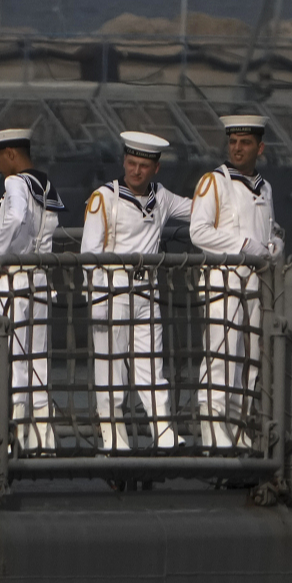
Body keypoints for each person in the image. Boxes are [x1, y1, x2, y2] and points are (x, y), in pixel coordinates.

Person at [83, 131, 193, 451]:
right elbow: (90, 252)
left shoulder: (162, 196)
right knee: (111, 370)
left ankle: (165, 433)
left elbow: (199, 211)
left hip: (147, 290)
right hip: (113, 288)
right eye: (131, 163)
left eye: (144, 165)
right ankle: (114, 441)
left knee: (151, 366)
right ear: (124, 162)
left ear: (155, 168)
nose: (136, 171)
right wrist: (98, 299)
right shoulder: (104, 197)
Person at [189, 113, 281, 451]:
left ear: (260, 147)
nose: (237, 149)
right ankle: (214, 427)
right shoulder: (215, 182)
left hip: (256, 282)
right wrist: (243, 246)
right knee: (222, 354)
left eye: (245, 143)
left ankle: (239, 425)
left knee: (250, 358)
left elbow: (268, 228)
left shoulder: (264, 187)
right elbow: (198, 231)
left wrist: (274, 244)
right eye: (233, 142)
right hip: (223, 278)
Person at [0, 128, 66, 452]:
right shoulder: (45, 185)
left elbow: (17, 216)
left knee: (8, 360)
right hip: (40, 280)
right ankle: (42, 437)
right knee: (37, 361)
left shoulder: (15, 182)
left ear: (11, 156)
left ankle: (9, 436)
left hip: (14, 280)